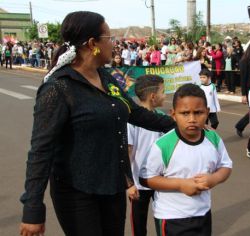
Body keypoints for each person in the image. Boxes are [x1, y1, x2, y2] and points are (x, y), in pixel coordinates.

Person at [19, 11, 175, 236]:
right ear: (92, 43)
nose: (114, 44)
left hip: (112, 186)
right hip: (77, 192)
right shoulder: (58, 87)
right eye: (109, 39)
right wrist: (32, 208)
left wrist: (177, 124)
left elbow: (136, 113)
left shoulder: (106, 77)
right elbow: (41, 151)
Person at [140, 83, 232, 236]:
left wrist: (214, 178)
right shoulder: (163, 145)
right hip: (171, 218)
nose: (192, 119)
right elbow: (146, 178)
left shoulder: (213, 138)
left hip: (203, 213)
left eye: (198, 112)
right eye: (185, 113)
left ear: (207, 112)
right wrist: (180, 184)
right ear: (173, 114)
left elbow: (226, 165)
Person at [128, 75, 166, 236]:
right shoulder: (131, 121)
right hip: (139, 184)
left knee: (164, 218)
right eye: (163, 92)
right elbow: (127, 153)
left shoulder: (161, 117)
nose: (165, 95)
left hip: (160, 181)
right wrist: (129, 183)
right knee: (139, 223)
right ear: (153, 96)